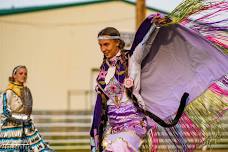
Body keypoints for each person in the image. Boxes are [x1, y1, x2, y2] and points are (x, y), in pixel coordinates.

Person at [90, 0, 228, 151]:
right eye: (100, 45)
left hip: (134, 125)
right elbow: (101, 108)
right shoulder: (102, 75)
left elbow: (145, 44)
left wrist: (155, 26)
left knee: (120, 148)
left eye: (106, 44)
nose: (103, 49)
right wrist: (96, 132)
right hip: (114, 128)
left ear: (117, 43)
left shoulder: (132, 60)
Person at [0, 65, 54, 151]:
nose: (23, 76)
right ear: (14, 75)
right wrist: (21, 119)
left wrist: (26, 119)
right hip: (11, 130)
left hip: (27, 129)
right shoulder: (8, 92)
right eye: (20, 73)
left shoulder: (26, 91)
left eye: (25, 74)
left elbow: (28, 111)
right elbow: (4, 112)